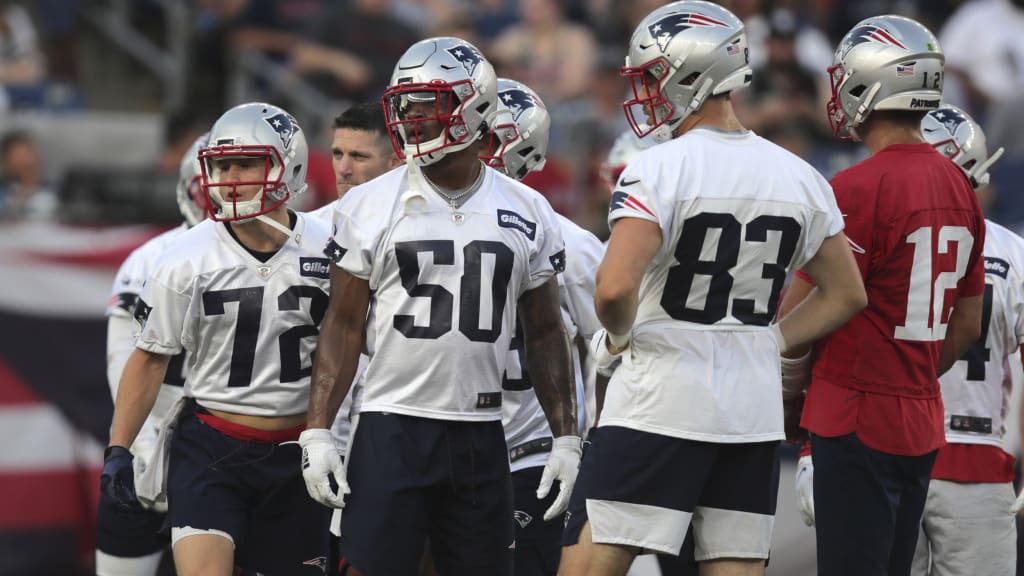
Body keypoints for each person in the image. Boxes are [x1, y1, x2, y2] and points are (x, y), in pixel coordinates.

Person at [558, 3, 868, 576]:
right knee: (733, 565)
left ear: (690, 74)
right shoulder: (799, 174)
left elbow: (613, 290)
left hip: (658, 400)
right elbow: (846, 293)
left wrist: (616, 339)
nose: (647, 90)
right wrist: (769, 343)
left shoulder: (659, 167)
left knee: (587, 566)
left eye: (652, 75)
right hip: (749, 411)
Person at [297, 36, 580, 576]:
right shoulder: (367, 204)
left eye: (430, 104)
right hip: (389, 424)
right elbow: (344, 321)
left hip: (482, 429)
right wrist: (318, 429)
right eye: (406, 106)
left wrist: (566, 435)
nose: (413, 120)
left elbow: (546, 330)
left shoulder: (527, 208)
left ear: (474, 106)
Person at [777, 15, 988, 576]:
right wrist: (910, 372)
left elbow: (798, 313)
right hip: (920, 416)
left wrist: (790, 399)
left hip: (853, 414)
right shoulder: (959, 188)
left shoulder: (855, 186)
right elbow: (967, 323)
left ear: (870, 84)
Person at [101, 102, 333, 576]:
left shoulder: (330, 245)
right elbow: (148, 359)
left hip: (299, 448)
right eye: (221, 164)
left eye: (246, 163)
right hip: (211, 446)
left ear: (286, 166)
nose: (229, 176)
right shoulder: (183, 257)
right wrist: (120, 448)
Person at [483, 77, 605, 576]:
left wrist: (589, 440)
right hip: (445, 443)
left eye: (481, 136)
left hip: (530, 451)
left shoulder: (569, 243)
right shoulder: (416, 226)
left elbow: (612, 347)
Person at [95, 132, 209, 575]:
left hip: (230, 451)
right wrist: (139, 443)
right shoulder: (152, 259)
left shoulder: (287, 252)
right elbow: (123, 358)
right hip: (156, 438)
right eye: (214, 174)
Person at [309, 102, 401, 221]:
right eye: (337, 154)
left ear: (394, 162)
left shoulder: (420, 225)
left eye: (358, 156)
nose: (343, 169)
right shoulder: (312, 228)